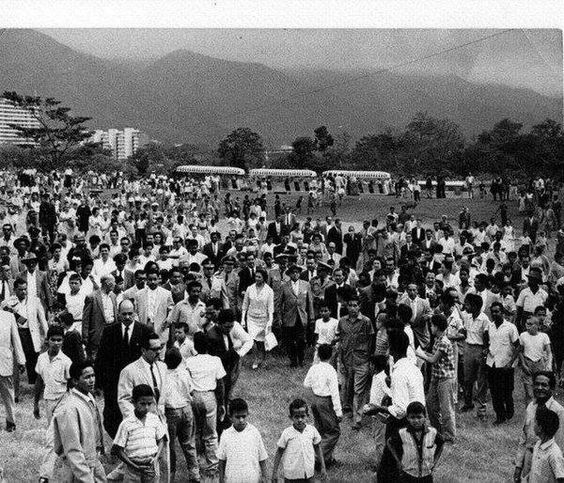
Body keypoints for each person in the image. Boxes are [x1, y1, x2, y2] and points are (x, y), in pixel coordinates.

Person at [95, 299, 152, 438]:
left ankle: (135, 441)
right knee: (111, 416)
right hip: (114, 382)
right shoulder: (109, 331)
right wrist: (99, 383)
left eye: (130, 314)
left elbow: (150, 357)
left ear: (135, 313)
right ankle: (117, 442)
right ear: (118, 314)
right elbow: (101, 358)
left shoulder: (144, 331)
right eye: (124, 314)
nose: (127, 317)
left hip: (137, 382)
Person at [51, 360, 106, 482]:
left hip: (93, 461)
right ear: (75, 380)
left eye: (93, 376)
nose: (92, 380)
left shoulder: (88, 397)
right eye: (87, 377)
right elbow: (72, 448)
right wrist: (85, 477)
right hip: (77, 468)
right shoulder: (69, 408)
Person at [185, 332, 226, 478]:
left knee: (195, 431)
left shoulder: (189, 361)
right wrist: (221, 403)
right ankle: (212, 466)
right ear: (208, 345)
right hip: (209, 396)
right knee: (210, 433)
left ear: (195, 346)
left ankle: (195, 463)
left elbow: (186, 382)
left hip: (194, 396)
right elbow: (220, 384)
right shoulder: (215, 360)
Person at [514, 372, 564, 481]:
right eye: (536, 384)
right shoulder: (531, 407)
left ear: (551, 388)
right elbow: (524, 437)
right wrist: (518, 466)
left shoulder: (558, 411)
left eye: (544, 385)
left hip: (546, 464)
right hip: (529, 459)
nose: (539, 388)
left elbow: (559, 446)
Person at [113, 384, 167, 483]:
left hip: (151, 466)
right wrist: (134, 466)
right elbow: (118, 449)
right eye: (142, 404)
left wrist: (156, 458)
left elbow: (161, 440)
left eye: (149, 403)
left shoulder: (154, 419)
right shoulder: (126, 424)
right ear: (133, 402)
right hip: (133, 468)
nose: (146, 407)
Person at [416, 314, 456, 442]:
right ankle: (437, 432)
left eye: (432, 325)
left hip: (445, 379)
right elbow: (432, 354)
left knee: (446, 409)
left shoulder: (444, 342)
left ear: (437, 327)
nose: (430, 328)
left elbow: (433, 359)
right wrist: (422, 352)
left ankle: (449, 436)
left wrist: (420, 354)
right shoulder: (438, 339)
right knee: (430, 405)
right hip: (436, 377)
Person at [336, 295, 374, 429]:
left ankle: (357, 419)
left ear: (359, 306)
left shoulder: (366, 322)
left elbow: (370, 342)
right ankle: (348, 410)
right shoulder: (342, 322)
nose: (352, 308)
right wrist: (340, 361)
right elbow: (340, 342)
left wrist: (369, 361)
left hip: (361, 360)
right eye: (350, 305)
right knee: (347, 387)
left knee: (359, 390)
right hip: (347, 360)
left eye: (355, 305)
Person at [162, 347, 199, 481]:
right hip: (186, 409)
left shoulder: (163, 375)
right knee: (188, 443)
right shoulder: (184, 372)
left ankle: (170, 475)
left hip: (172, 412)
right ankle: (194, 473)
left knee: (170, 446)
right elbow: (191, 390)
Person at [303, 344, 342, 467]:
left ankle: (327, 459)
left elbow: (306, 384)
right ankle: (318, 459)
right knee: (333, 431)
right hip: (325, 401)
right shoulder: (331, 370)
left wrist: (316, 385)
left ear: (318, 355)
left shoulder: (314, 368)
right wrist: (338, 411)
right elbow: (335, 393)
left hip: (315, 400)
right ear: (331, 355)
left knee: (320, 430)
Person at [386, 401, 445, 483]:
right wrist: (398, 461)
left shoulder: (432, 432)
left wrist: (434, 462)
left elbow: (441, 443)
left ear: (425, 417)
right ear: (407, 418)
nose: (416, 421)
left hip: (426, 475)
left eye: (419, 417)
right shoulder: (402, 432)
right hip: (408, 475)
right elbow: (390, 442)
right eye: (412, 417)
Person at [207, 309, 253, 412]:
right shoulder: (212, 336)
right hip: (218, 373)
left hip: (227, 371)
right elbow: (220, 359)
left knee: (227, 395)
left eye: (231, 327)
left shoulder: (225, 330)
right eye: (227, 327)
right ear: (219, 323)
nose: (230, 329)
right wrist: (234, 350)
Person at [271, 398, 327, 482]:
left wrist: (323, 467)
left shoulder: (312, 431)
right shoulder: (287, 433)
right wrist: (275, 472)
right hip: (291, 475)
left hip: (309, 473)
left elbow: (317, 448)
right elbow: (279, 451)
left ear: (307, 416)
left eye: (302, 416)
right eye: (296, 417)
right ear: (291, 417)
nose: (300, 420)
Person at [218, 398, 268, 483]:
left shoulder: (254, 432)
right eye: (237, 417)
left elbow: (262, 457)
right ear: (230, 417)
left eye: (243, 416)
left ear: (247, 414)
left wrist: (264, 476)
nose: (241, 420)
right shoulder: (226, 435)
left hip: (251, 478)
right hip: (232, 479)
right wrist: (221, 479)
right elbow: (222, 460)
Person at [486, 301, 520, 425]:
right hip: (492, 363)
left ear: (502, 312)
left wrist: (510, 363)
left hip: (506, 365)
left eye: (497, 311)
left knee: (507, 391)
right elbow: (488, 341)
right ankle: (500, 416)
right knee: (495, 392)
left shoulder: (510, 327)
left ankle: (509, 410)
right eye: (493, 312)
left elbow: (518, 346)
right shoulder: (490, 326)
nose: (495, 314)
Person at [278, 264, 314, 368]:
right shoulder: (284, 285)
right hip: (289, 317)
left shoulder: (306, 284)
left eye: (297, 272)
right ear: (289, 274)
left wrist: (311, 317)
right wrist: (280, 318)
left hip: (301, 316)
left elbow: (310, 302)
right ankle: (293, 361)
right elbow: (279, 303)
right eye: (293, 272)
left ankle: (301, 359)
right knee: (290, 341)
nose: (295, 274)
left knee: (301, 340)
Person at [240, 268, 274, 369]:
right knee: (252, 340)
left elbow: (270, 308)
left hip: (263, 319)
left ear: (264, 278)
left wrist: (270, 321)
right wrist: (242, 319)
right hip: (251, 318)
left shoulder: (269, 291)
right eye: (256, 276)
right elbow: (245, 304)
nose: (257, 278)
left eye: (259, 277)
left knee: (261, 341)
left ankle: (262, 359)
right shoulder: (250, 288)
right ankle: (255, 359)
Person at [363, 355, 391, 472]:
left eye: (370, 364)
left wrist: (384, 401)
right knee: (377, 438)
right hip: (374, 413)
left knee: (380, 442)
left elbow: (390, 393)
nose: (369, 367)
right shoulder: (375, 376)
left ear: (374, 366)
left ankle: (380, 466)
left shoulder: (382, 378)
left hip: (380, 414)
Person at [0, 306, 25, 432]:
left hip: (4, 360)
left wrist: (21, 360)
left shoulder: (8, 317)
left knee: (8, 393)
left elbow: (16, 339)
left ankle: (11, 421)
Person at [82, 274, 117, 360]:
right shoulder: (92, 297)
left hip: (111, 331)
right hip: (97, 334)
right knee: (96, 358)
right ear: (107, 283)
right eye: (113, 282)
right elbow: (86, 319)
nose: (115, 284)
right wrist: (85, 336)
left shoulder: (113, 296)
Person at [519, 316, 553, 404]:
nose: (527, 326)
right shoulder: (523, 335)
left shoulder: (544, 336)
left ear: (537, 325)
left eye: (530, 324)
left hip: (539, 364)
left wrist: (549, 364)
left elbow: (549, 352)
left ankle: (540, 413)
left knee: (540, 391)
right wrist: (523, 364)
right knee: (529, 393)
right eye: (526, 323)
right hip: (528, 363)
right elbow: (520, 351)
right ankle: (529, 415)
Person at [526, 407, 564, 483]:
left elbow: (561, 479)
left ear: (540, 428)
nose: (534, 425)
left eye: (535, 422)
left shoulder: (554, 454)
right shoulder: (538, 444)